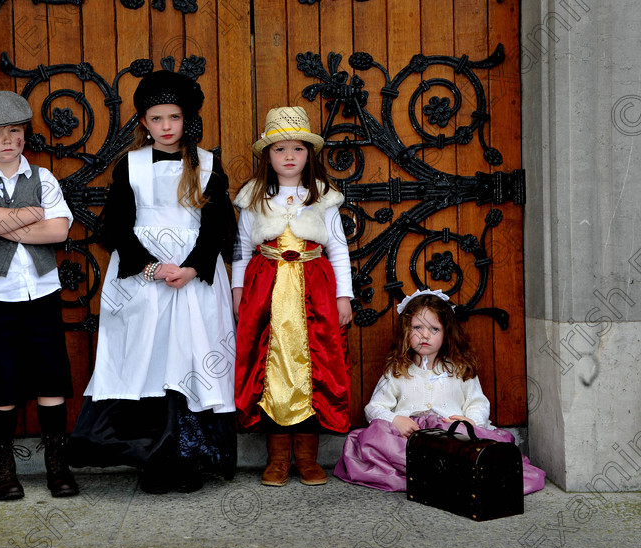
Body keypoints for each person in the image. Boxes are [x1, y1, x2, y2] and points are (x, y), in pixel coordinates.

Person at [67, 70, 238, 494]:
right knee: (149, 359)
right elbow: (118, 227)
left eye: (173, 118)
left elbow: (219, 226)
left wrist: (193, 267)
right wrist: (152, 267)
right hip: (143, 282)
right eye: (156, 118)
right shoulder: (131, 165)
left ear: (186, 119)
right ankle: (151, 459)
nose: (166, 127)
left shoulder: (208, 165)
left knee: (191, 357)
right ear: (143, 121)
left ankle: (190, 458)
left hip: (195, 282)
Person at [0, 90, 79, 501]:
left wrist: (2, 220)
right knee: (4, 382)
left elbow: (59, 231)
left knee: (51, 379)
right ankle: (3, 469)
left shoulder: (42, 177)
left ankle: (57, 466)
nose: (8, 140)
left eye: (15, 130)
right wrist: (34, 215)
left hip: (41, 291)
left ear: (25, 133)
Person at [232, 106, 353, 487]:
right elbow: (239, 250)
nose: (288, 156)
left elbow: (338, 249)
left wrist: (343, 296)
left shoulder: (323, 198)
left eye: (297, 149)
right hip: (266, 293)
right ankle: (278, 459)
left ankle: (308, 458)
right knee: (271, 371)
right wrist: (238, 293)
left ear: (308, 154)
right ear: (267, 155)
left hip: (313, 295)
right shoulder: (253, 197)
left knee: (312, 369)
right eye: (279, 149)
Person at [333, 289, 546, 494]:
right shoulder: (397, 370)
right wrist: (396, 419)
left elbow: (478, 403)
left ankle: (443, 470)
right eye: (417, 328)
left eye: (434, 329)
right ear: (406, 331)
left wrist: (470, 421)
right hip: (411, 440)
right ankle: (434, 471)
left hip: (452, 436)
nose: (425, 335)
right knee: (375, 435)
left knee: (471, 440)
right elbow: (374, 408)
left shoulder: (460, 369)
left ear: (446, 333)